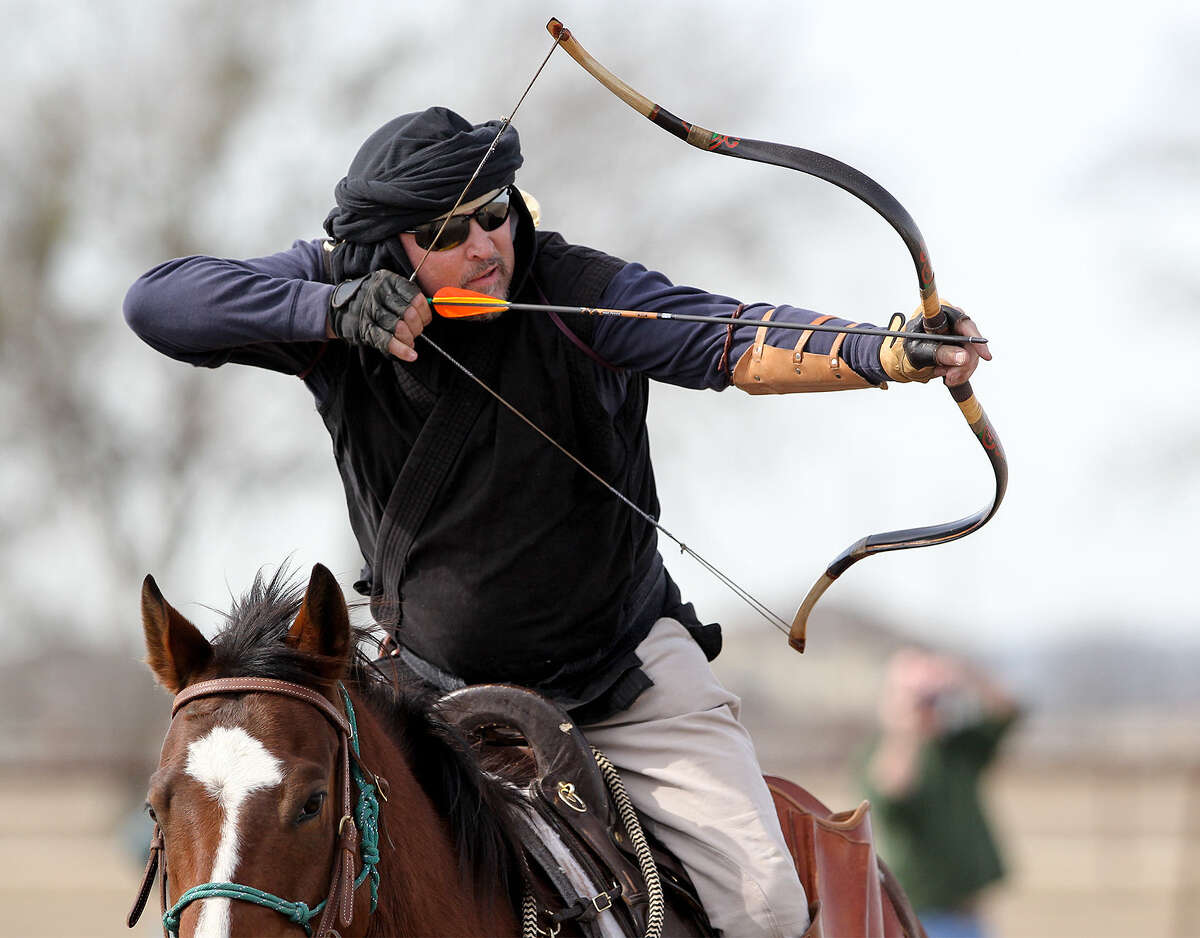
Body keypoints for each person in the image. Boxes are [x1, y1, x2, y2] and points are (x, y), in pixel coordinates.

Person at [124, 107, 990, 938]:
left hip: (624, 676)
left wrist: (883, 349)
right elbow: (158, 303)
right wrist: (333, 312)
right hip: (434, 700)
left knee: (761, 905)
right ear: (388, 246)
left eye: (493, 214)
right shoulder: (335, 293)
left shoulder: (576, 287)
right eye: (447, 234)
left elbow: (722, 337)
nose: (485, 245)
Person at [858, 649, 1020, 938]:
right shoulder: (881, 754)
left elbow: (1007, 711)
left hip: (971, 913)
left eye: (933, 700)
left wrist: (965, 674)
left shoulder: (958, 748)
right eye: (922, 700)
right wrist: (907, 722)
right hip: (918, 913)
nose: (929, 707)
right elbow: (891, 794)